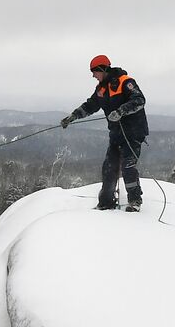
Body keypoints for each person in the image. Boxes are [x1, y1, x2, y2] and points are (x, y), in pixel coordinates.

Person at [61, 55, 149, 211]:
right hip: (116, 134)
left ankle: (135, 201)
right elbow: (90, 105)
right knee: (109, 167)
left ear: (102, 69)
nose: (93, 75)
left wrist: (121, 111)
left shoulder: (125, 82)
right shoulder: (101, 89)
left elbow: (139, 100)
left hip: (133, 133)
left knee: (128, 167)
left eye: (94, 72)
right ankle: (106, 202)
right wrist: (73, 116)